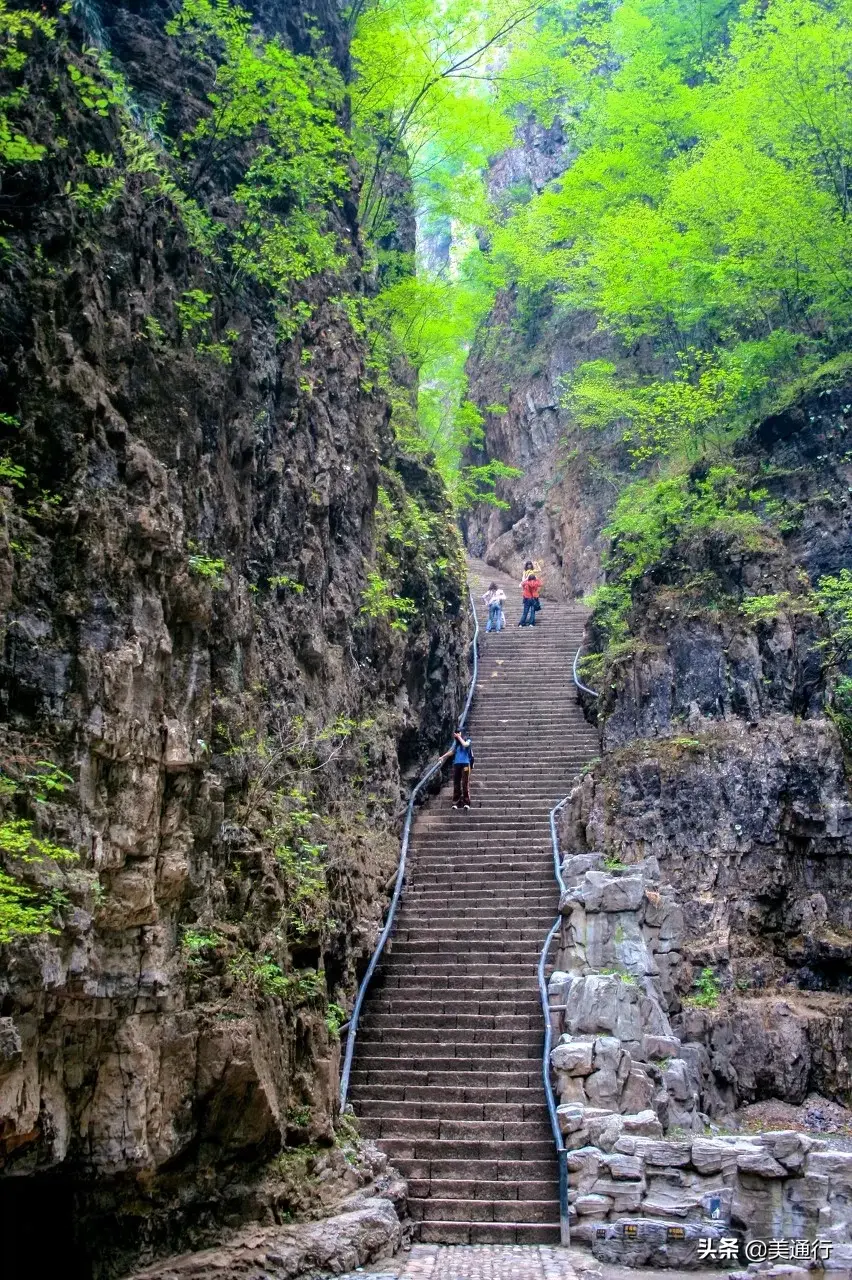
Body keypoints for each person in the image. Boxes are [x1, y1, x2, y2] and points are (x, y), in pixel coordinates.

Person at [440, 728, 474, 809]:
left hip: (465, 764)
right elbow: (452, 752)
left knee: (465, 783)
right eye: (456, 733)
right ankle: (455, 802)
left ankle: (467, 803)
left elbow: (465, 745)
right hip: (457, 764)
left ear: (462, 733)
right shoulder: (457, 744)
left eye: (459, 733)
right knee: (456, 784)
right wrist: (442, 756)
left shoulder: (468, 740)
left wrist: (459, 737)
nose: (457, 734)